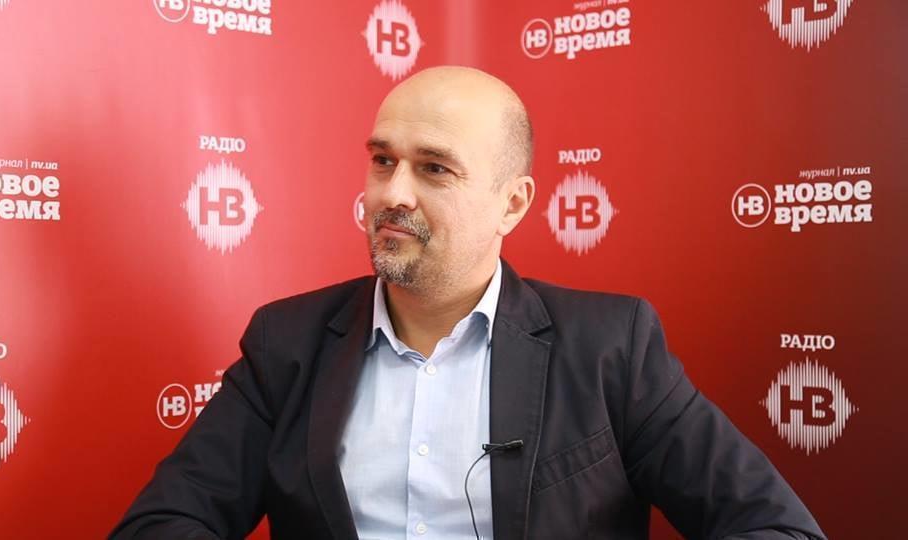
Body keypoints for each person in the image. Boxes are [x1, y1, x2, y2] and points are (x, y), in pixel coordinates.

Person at [110, 66, 825, 540]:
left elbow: (776, 527)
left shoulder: (612, 346)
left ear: (512, 203)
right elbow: (163, 523)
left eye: (434, 168)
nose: (392, 193)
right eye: (383, 160)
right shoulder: (285, 343)